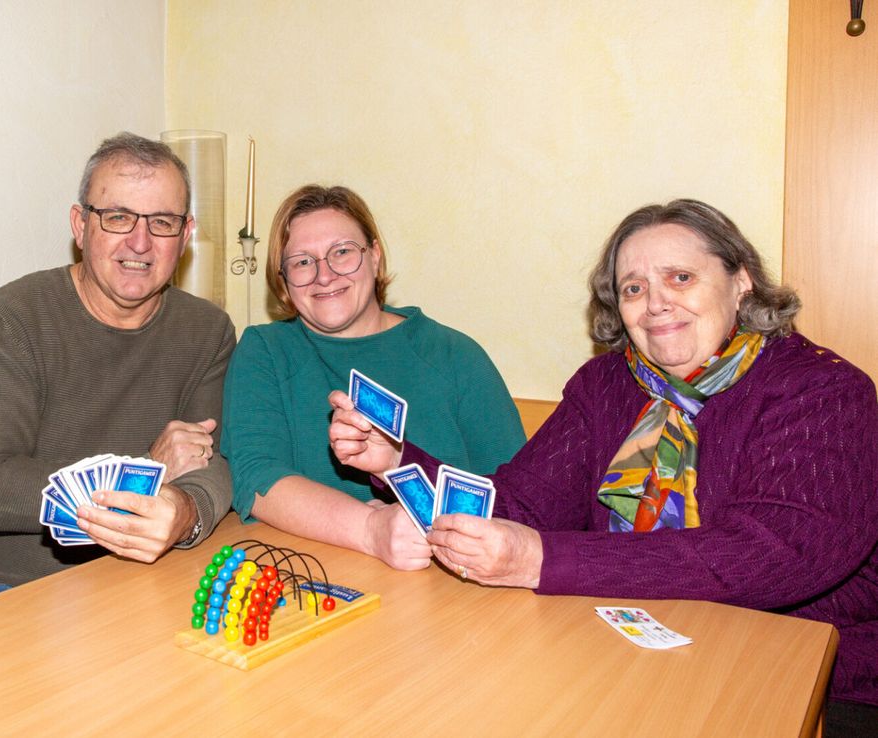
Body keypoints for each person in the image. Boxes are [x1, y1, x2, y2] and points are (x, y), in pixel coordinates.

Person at [329, 199, 878, 721]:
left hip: (813, 678)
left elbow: (773, 554)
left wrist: (541, 560)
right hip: (622, 649)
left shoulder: (824, 391)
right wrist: (396, 459)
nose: (656, 302)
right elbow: (522, 503)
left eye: (680, 278)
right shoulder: (608, 384)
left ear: (741, 281)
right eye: (633, 288)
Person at [0, 132, 235, 609]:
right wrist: (145, 472)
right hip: (6, 587)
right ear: (80, 225)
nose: (140, 241)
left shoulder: (207, 329)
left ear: (185, 234)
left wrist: (183, 511)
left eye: (162, 221)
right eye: (117, 217)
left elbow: (210, 462)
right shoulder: (14, 317)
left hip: (144, 586)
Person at [221, 185, 524, 570]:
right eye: (301, 262)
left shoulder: (455, 356)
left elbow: (519, 493)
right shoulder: (265, 350)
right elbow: (256, 479)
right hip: (315, 579)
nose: (324, 275)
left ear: (375, 257)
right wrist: (371, 530)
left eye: (342, 252)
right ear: (282, 281)